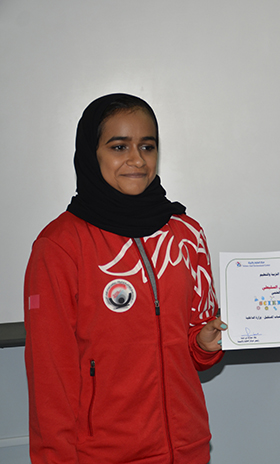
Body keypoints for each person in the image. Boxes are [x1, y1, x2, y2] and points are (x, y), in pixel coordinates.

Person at [24, 93, 227, 463]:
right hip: (102, 455)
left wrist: (204, 343)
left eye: (147, 146)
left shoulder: (186, 234)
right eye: (119, 147)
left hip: (187, 447)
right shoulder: (60, 246)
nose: (137, 160)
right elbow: (49, 377)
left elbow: (196, 348)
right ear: (91, 153)